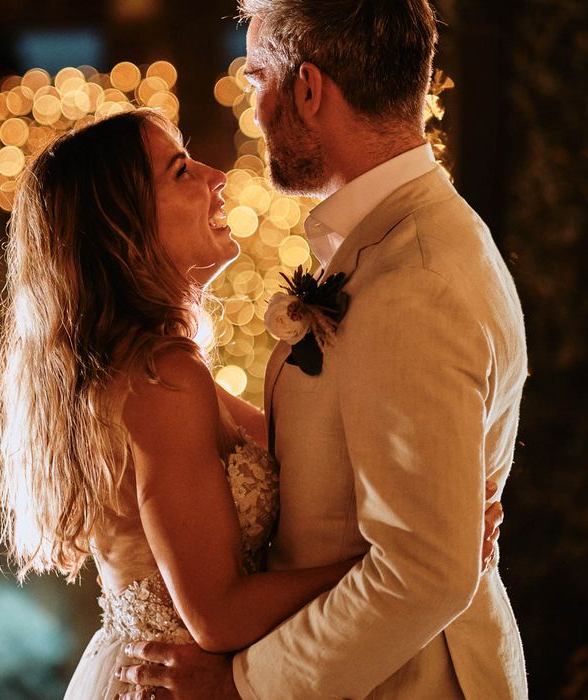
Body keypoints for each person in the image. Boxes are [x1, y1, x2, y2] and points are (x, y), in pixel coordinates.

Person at [0, 107, 501, 700]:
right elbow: (219, 615)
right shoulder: (160, 378)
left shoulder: (145, 368)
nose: (216, 175)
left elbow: (305, 453)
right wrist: (407, 560)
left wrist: (440, 501)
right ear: (122, 225)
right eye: (180, 171)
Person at [118, 1, 528, 699]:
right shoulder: (394, 248)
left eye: (256, 81)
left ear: (307, 89)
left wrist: (243, 688)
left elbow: (423, 573)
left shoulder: (413, 280)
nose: (252, 111)